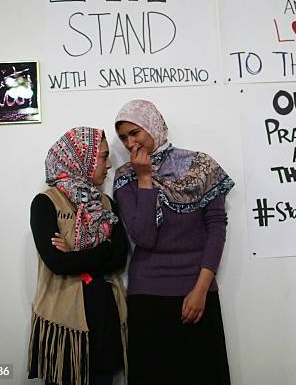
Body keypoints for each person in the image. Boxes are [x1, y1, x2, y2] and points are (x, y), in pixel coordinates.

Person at [113, 100, 234, 385]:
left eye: (135, 133)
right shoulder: (125, 177)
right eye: (123, 138)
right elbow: (144, 238)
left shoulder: (201, 167)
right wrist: (144, 179)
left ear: (153, 125)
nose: (131, 143)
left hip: (198, 289)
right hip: (148, 294)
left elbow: (216, 228)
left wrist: (201, 289)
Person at [27, 127, 128, 385]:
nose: (109, 164)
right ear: (82, 158)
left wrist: (74, 253)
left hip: (104, 318)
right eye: (103, 156)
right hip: (63, 324)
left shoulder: (105, 203)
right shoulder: (46, 203)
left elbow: (120, 257)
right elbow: (57, 263)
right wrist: (102, 250)